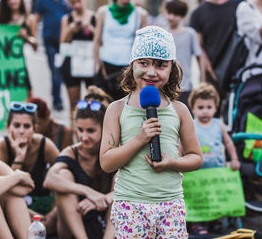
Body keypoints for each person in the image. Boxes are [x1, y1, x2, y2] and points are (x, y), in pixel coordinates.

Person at [100, 26, 203, 238]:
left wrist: (172, 163)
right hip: (130, 204)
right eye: (143, 63)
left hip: (170, 204)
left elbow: (196, 157)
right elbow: (107, 162)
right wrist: (140, 139)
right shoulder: (117, 109)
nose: (151, 72)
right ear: (132, 65)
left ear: (171, 69)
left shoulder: (180, 110)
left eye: (160, 65)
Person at [44, 86, 115, 239]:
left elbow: (137, 185)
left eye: (90, 131)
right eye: (80, 130)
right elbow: (49, 179)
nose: (83, 137)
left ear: (105, 129)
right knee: (63, 175)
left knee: (121, 178)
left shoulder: (114, 150)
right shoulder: (72, 152)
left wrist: (107, 198)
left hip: (109, 223)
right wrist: (87, 192)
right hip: (75, 224)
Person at [0, 101, 60, 235]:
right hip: (14, 207)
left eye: (27, 126)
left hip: (44, 206)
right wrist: (19, 157)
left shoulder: (44, 144)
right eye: (16, 125)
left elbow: (64, 173)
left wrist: (54, 213)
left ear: (34, 128)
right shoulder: (0, 147)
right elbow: (1, 189)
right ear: (8, 127)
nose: (21, 131)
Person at [187, 83, 241, 235]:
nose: (205, 111)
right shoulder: (192, 125)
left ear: (215, 108)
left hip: (215, 173)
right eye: (201, 107)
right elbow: (182, 144)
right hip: (196, 174)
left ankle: (215, 222)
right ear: (193, 109)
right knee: (198, 199)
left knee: (214, 197)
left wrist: (234, 159)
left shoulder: (219, 125)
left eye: (209, 107)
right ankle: (196, 223)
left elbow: (229, 143)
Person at [93, 0, 148, 101]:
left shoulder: (140, 14)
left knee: (126, 103)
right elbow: (96, 41)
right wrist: (96, 63)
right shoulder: (103, 12)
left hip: (128, 66)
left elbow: (143, 44)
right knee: (105, 103)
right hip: (106, 65)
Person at [189, 0, 243, 96]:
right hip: (212, 73)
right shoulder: (198, 12)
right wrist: (208, 71)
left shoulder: (240, 4)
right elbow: (199, 46)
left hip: (238, 70)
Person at [60, 0, 97, 125]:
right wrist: (72, 29)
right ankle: (76, 133)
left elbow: (100, 41)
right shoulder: (67, 19)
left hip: (90, 63)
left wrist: (91, 29)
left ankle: (93, 131)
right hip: (71, 64)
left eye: (78, 1)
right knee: (74, 104)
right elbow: (62, 41)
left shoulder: (95, 17)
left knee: (93, 101)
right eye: (72, 2)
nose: (76, 5)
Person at [34, 0, 71, 111]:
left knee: (61, 71)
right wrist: (34, 38)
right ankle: (57, 100)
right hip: (49, 40)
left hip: (64, 41)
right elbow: (36, 18)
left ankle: (57, 97)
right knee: (55, 71)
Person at [0, 0, 37, 98]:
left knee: (28, 97)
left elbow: (36, 46)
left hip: (20, 65)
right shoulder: (0, 20)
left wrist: (26, 37)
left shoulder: (29, 19)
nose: (13, 1)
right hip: (3, 65)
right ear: (5, 1)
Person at [164, 0, 204, 108]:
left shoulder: (190, 34)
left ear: (182, 16)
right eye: (169, 13)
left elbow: (199, 57)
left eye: (176, 14)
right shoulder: (163, 33)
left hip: (185, 85)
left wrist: (203, 80)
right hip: (164, 84)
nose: (171, 17)